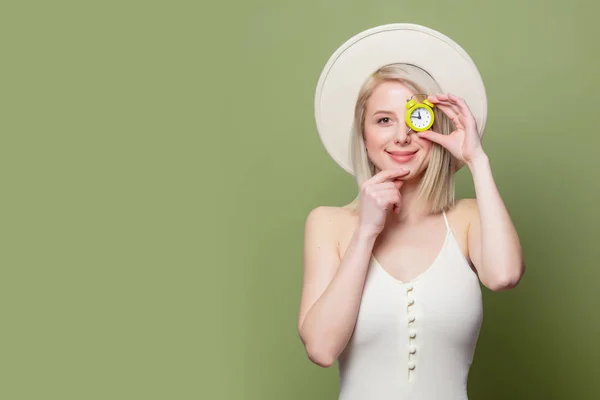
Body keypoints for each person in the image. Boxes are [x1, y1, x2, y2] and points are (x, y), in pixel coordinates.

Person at [298, 24, 525, 400]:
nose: (401, 136)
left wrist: (476, 158)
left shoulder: (467, 219)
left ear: (434, 126)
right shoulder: (328, 224)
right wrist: (367, 231)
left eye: (415, 117)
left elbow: (504, 275)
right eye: (384, 120)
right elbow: (321, 348)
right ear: (364, 134)